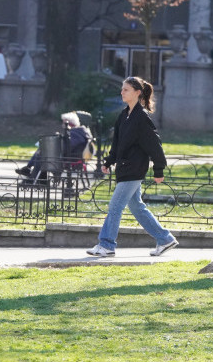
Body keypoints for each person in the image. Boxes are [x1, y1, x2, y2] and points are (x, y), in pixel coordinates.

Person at [86, 77, 178, 258]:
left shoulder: (141, 117)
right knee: (137, 207)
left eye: (126, 90)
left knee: (115, 206)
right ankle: (165, 239)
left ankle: (106, 245)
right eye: (122, 89)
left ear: (137, 93)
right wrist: (108, 162)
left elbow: (154, 144)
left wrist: (158, 169)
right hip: (124, 168)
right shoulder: (124, 115)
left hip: (134, 169)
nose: (122, 92)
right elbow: (117, 143)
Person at [16, 112, 93, 186]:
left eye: (64, 122)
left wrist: (59, 140)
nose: (63, 124)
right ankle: (36, 176)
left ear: (69, 123)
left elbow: (68, 146)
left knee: (42, 154)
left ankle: (34, 177)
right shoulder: (79, 132)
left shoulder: (76, 132)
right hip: (70, 156)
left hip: (71, 158)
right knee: (43, 150)